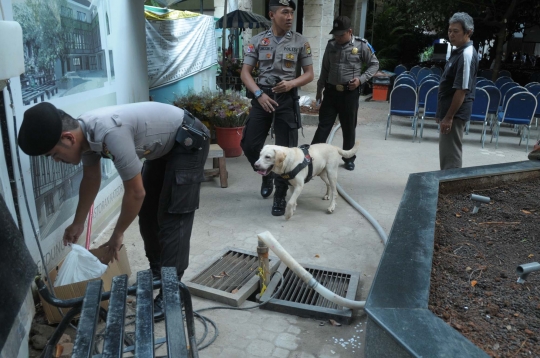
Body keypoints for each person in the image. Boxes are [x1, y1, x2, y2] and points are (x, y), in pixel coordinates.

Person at [17, 101, 210, 319]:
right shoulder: (86, 134)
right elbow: (91, 178)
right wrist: (78, 222)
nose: (56, 160)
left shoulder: (110, 133)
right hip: (162, 149)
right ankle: (158, 272)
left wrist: (117, 234)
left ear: (68, 138)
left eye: (54, 154)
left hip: (187, 141)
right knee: (147, 213)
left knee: (172, 217)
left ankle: (171, 292)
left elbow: (135, 193)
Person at [240, 0, 314, 216]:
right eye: (285, 12)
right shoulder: (257, 40)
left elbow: (309, 73)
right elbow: (245, 73)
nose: (289, 17)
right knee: (249, 143)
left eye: (291, 12)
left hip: (286, 98)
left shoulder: (301, 41)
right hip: (262, 96)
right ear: (272, 15)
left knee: (287, 151)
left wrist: (292, 83)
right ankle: (267, 173)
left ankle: (280, 196)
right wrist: (258, 94)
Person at [311, 16, 379, 171]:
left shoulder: (362, 45)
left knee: (348, 127)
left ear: (350, 31)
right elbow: (325, 70)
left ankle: (348, 158)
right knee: (323, 126)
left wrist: (360, 80)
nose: (337, 37)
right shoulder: (331, 45)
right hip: (330, 92)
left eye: (341, 35)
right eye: (335, 34)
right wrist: (318, 92)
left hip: (349, 94)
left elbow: (374, 65)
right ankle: (312, 156)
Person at [436, 12, 478, 170]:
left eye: (456, 31)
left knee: (451, 156)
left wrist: (448, 117)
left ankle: (450, 191)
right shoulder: (458, 51)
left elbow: (462, 89)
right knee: (447, 154)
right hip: (449, 112)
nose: (451, 35)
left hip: (455, 114)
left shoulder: (466, 55)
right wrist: (441, 113)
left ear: (468, 32)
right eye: (449, 31)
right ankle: (447, 187)